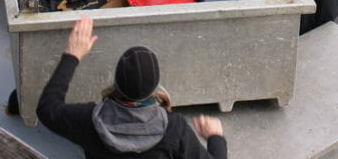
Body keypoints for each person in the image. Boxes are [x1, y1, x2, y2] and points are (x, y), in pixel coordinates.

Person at [37, 17, 227, 159]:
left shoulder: (88, 120)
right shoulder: (175, 129)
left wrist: (72, 54)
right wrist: (215, 137)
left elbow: (47, 109)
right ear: (155, 88)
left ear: (116, 83)